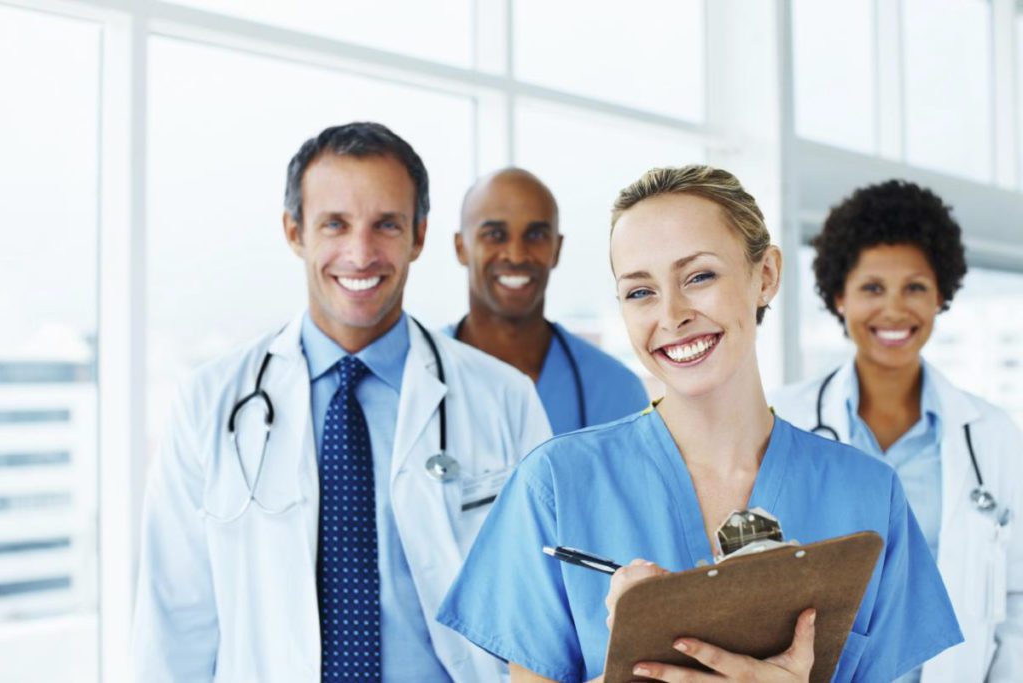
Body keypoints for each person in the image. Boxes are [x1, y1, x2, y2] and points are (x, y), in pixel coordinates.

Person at [438, 165, 962, 683]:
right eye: (641, 291)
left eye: (699, 277)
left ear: (767, 275)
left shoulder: (868, 494)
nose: (672, 315)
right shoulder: (555, 484)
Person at [132, 122, 552, 682]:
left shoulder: (504, 398)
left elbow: (546, 608)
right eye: (335, 224)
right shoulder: (210, 402)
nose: (360, 253)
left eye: (386, 225)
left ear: (419, 236)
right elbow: (173, 626)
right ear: (294, 232)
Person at [769, 180, 1022, 682]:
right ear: (839, 296)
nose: (894, 310)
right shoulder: (782, 419)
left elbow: (1015, 601)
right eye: (872, 288)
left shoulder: (992, 435)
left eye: (915, 287)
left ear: (940, 296)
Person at [447, 168, 648, 434]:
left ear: (557, 248)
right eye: (495, 235)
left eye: (535, 235)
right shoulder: (415, 376)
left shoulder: (615, 389)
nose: (517, 256)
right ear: (461, 247)